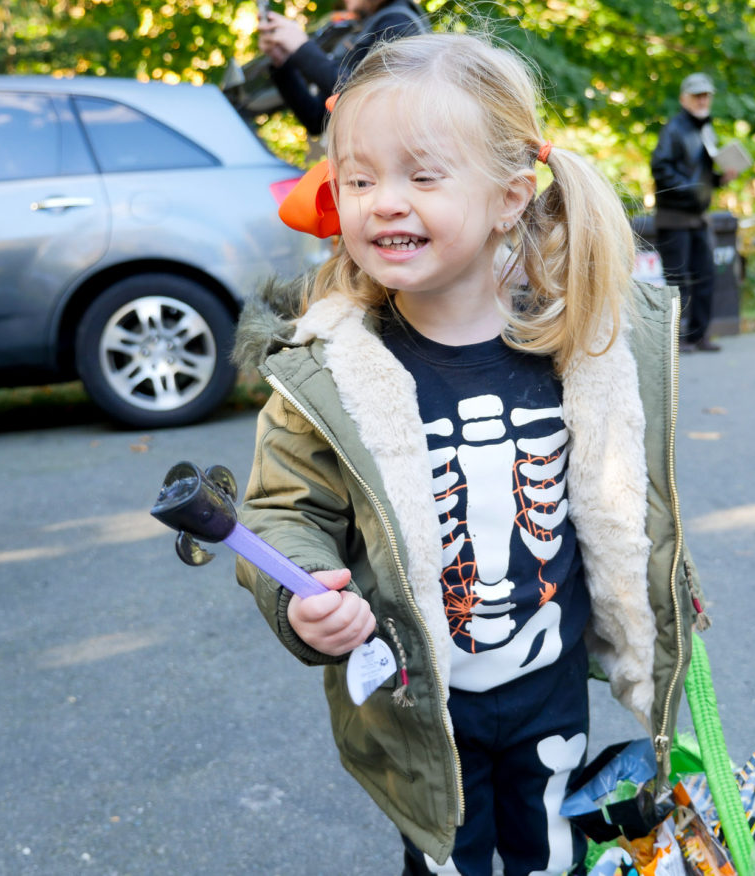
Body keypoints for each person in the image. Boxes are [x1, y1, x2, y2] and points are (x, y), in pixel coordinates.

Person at [232, 32, 705, 876]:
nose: (382, 202)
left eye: (421, 175)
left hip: (545, 680)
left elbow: (626, 495)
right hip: (420, 696)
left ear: (509, 197)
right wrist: (298, 596)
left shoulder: (586, 347)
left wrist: (668, 583)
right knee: (446, 859)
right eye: (360, 179)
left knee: (551, 850)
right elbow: (281, 512)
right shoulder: (330, 367)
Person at [650, 72, 739, 352]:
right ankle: (676, 339)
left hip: (699, 218)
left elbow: (701, 173)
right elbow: (660, 168)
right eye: (697, 95)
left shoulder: (706, 129)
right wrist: (692, 188)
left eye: (706, 95)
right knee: (678, 282)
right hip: (674, 219)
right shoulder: (673, 129)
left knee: (706, 276)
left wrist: (718, 179)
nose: (702, 100)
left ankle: (699, 336)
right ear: (684, 99)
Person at [257, 0, 428, 136]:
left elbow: (368, 101)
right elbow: (316, 118)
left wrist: (302, 47)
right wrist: (282, 61)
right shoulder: (367, 26)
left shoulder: (398, 22)